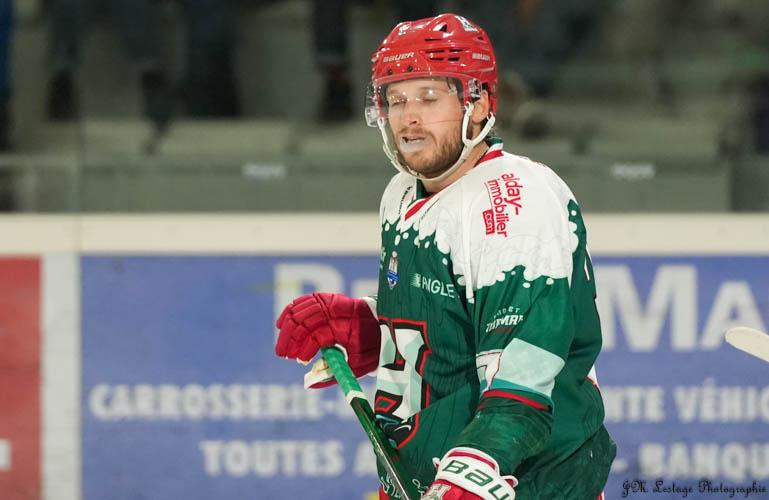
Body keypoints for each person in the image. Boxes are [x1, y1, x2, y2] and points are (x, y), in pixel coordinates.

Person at [275, 13, 615, 500]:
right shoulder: (401, 193)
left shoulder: (512, 202)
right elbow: (454, 326)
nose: (408, 117)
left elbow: (525, 372)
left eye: (429, 97)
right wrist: (373, 328)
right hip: (423, 479)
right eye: (396, 99)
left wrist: (471, 473)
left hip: (524, 485)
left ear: (479, 105)